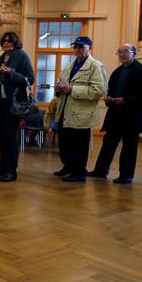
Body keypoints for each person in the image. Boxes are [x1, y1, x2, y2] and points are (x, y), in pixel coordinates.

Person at [88, 44, 142, 184]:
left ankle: (126, 175)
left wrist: (126, 100)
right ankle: (100, 171)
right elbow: (111, 90)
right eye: (119, 52)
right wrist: (108, 98)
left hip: (132, 115)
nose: (122, 55)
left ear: (134, 53)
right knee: (108, 143)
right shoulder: (117, 71)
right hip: (115, 114)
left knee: (129, 147)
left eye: (125, 52)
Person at [53, 36, 107, 182]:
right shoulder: (69, 66)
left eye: (81, 47)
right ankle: (68, 166)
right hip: (65, 111)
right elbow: (60, 83)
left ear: (90, 48)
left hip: (82, 113)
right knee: (64, 144)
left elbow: (98, 91)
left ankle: (79, 172)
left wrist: (72, 89)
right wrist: (58, 89)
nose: (78, 50)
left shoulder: (96, 66)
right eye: (76, 47)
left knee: (79, 145)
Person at [0, 32, 35, 181]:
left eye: (9, 41)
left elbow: (30, 79)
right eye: (4, 41)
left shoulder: (21, 56)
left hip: (12, 105)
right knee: (1, 135)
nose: (6, 43)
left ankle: (11, 170)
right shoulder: (2, 57)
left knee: (10, 138)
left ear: (15, 42)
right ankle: (2, 166)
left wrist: (11, 74)